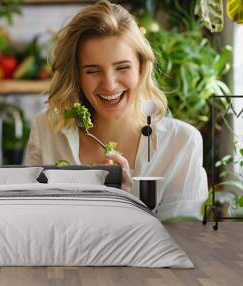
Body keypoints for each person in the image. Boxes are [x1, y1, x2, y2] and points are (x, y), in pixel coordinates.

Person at [23, 0, 208, 221]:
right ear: (77, 76)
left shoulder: (181, 143)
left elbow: (185, 241)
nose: (109, 85)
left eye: (122, 67)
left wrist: (124, 202)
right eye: (93, 71)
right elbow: (32, 225)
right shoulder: (47, 129)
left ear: (141, 66)